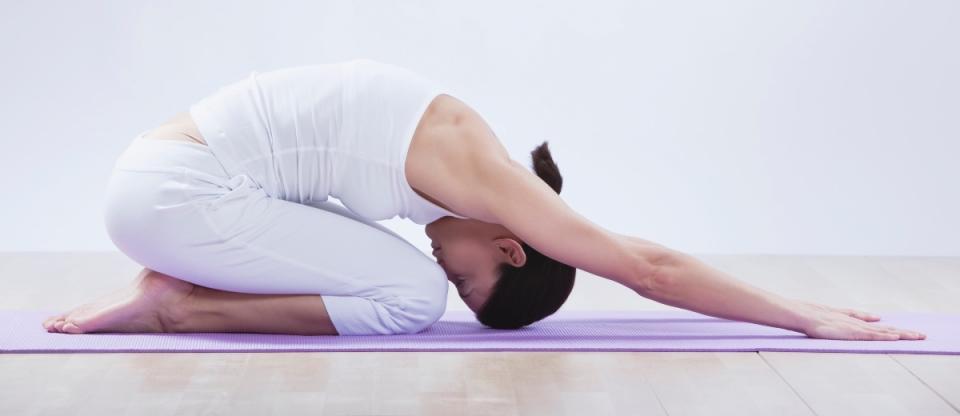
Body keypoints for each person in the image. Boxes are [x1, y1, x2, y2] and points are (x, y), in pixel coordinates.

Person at [42, 59, 925, 340]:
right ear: (510, 246)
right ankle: (176, 309)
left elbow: (625, 246)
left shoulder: (464, 154)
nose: (450, 271)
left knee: (381, 270)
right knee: (407, 301)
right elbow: (643, 266)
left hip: (171, 187)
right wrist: (809, 322)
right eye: (476, 284)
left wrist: (805, 302)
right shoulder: (488, 179)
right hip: (178, 197)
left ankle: (171, 289)